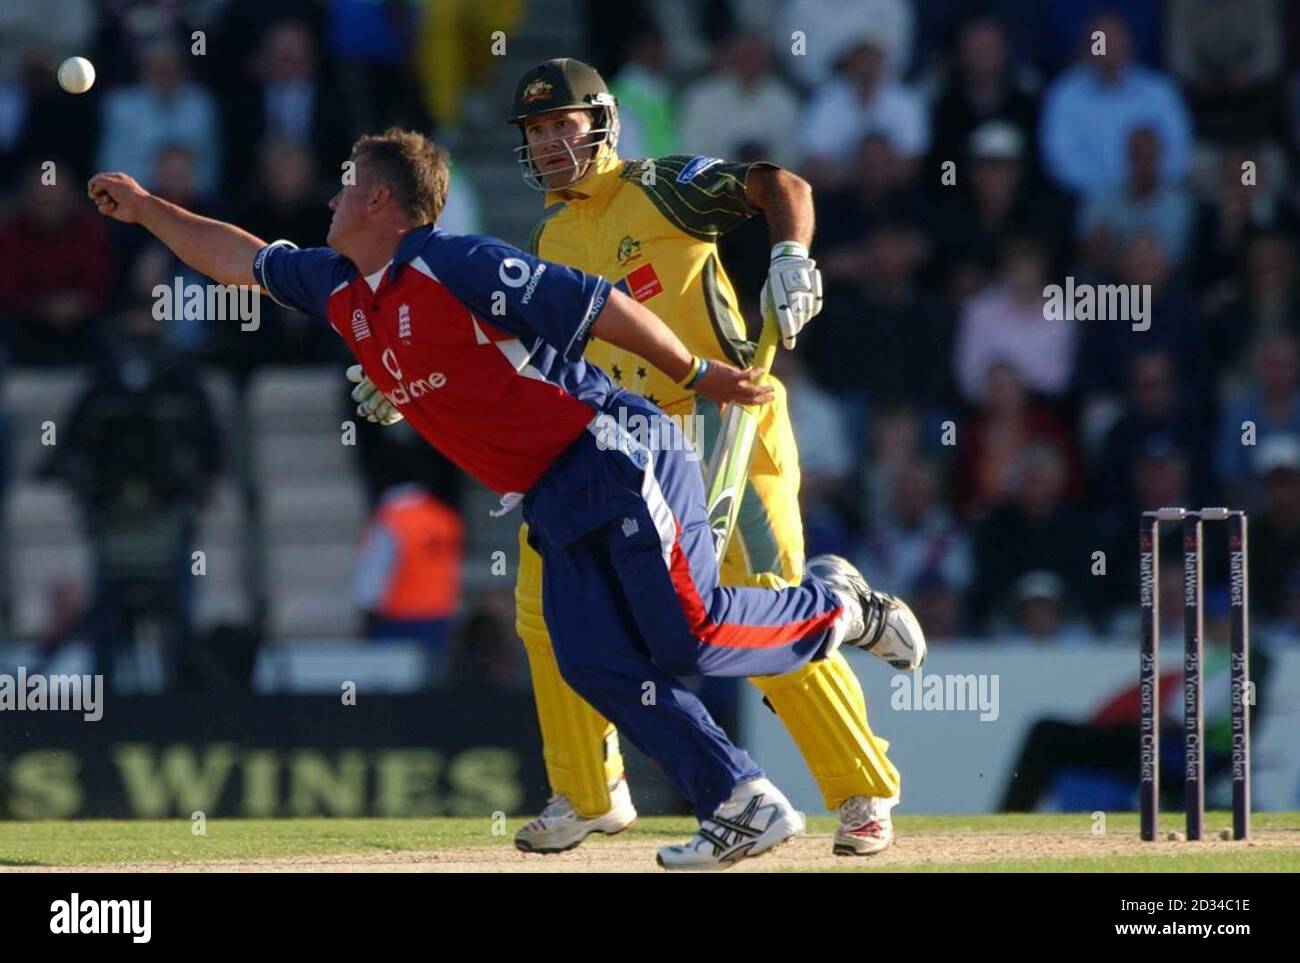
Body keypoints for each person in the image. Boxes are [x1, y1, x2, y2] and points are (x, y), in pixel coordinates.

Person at [86, 128, 926, 869]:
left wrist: (699, 373)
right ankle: (741, 801)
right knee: (594, 661)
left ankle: (842, 607)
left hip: (616, 450)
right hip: (551, 492)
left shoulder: (459, 261)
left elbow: (601, 309)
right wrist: (146, 206)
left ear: (381, 199)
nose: (332, 196)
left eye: (346, 183)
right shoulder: (339, 284)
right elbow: (236, 256)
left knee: (689, 632)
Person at [353, 58, 921, 859]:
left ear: (602, 123)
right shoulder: (549, 235)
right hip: (624, 445)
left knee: (754, 599)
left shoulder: (662, 185)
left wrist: (792, 254)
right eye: (537, 131)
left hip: (729, 419)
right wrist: (407, 378)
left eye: (564, 124)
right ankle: (588, 792)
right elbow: (511, 346)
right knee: (540, 603)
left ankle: (861, 787)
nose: (551, 142)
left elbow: (780, 183)